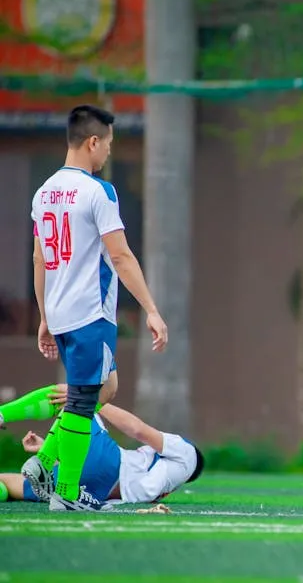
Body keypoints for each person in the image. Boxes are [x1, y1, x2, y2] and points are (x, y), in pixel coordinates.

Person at [29, 104, 168, 511]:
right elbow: (121, 257)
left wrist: (44, 316)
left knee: (105, 389)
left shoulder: (44, 192)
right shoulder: (98, 191)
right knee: (82, 402)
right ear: (93, 142)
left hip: (62, 312)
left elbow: (39, 259)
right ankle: (65, 493)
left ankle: (43, 462)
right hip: (90, 315)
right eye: (108, 144)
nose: (108, 153)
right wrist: (152, 310)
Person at [0, 384, 204, 507]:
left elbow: (138, 430)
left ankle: (3, 414)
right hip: (92, 493)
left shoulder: (188, 453)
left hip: (111, 466)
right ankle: (46, 455)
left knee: (69, 393)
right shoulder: (166, 487)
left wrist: (90, 400)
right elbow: (86, 467)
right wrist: (49, 447)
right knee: (8, 484)